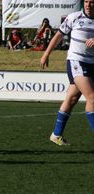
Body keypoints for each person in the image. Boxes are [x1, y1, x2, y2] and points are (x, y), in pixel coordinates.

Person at [40, 0, 94, 146]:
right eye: (87, 1)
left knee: (72, 99)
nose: (89, 5)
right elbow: (58, 36)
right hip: (76, 61)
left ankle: (56, 134)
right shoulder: (74, 17)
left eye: (92, 2)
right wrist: (46, 54)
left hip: (92, 64)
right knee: (92, 97)